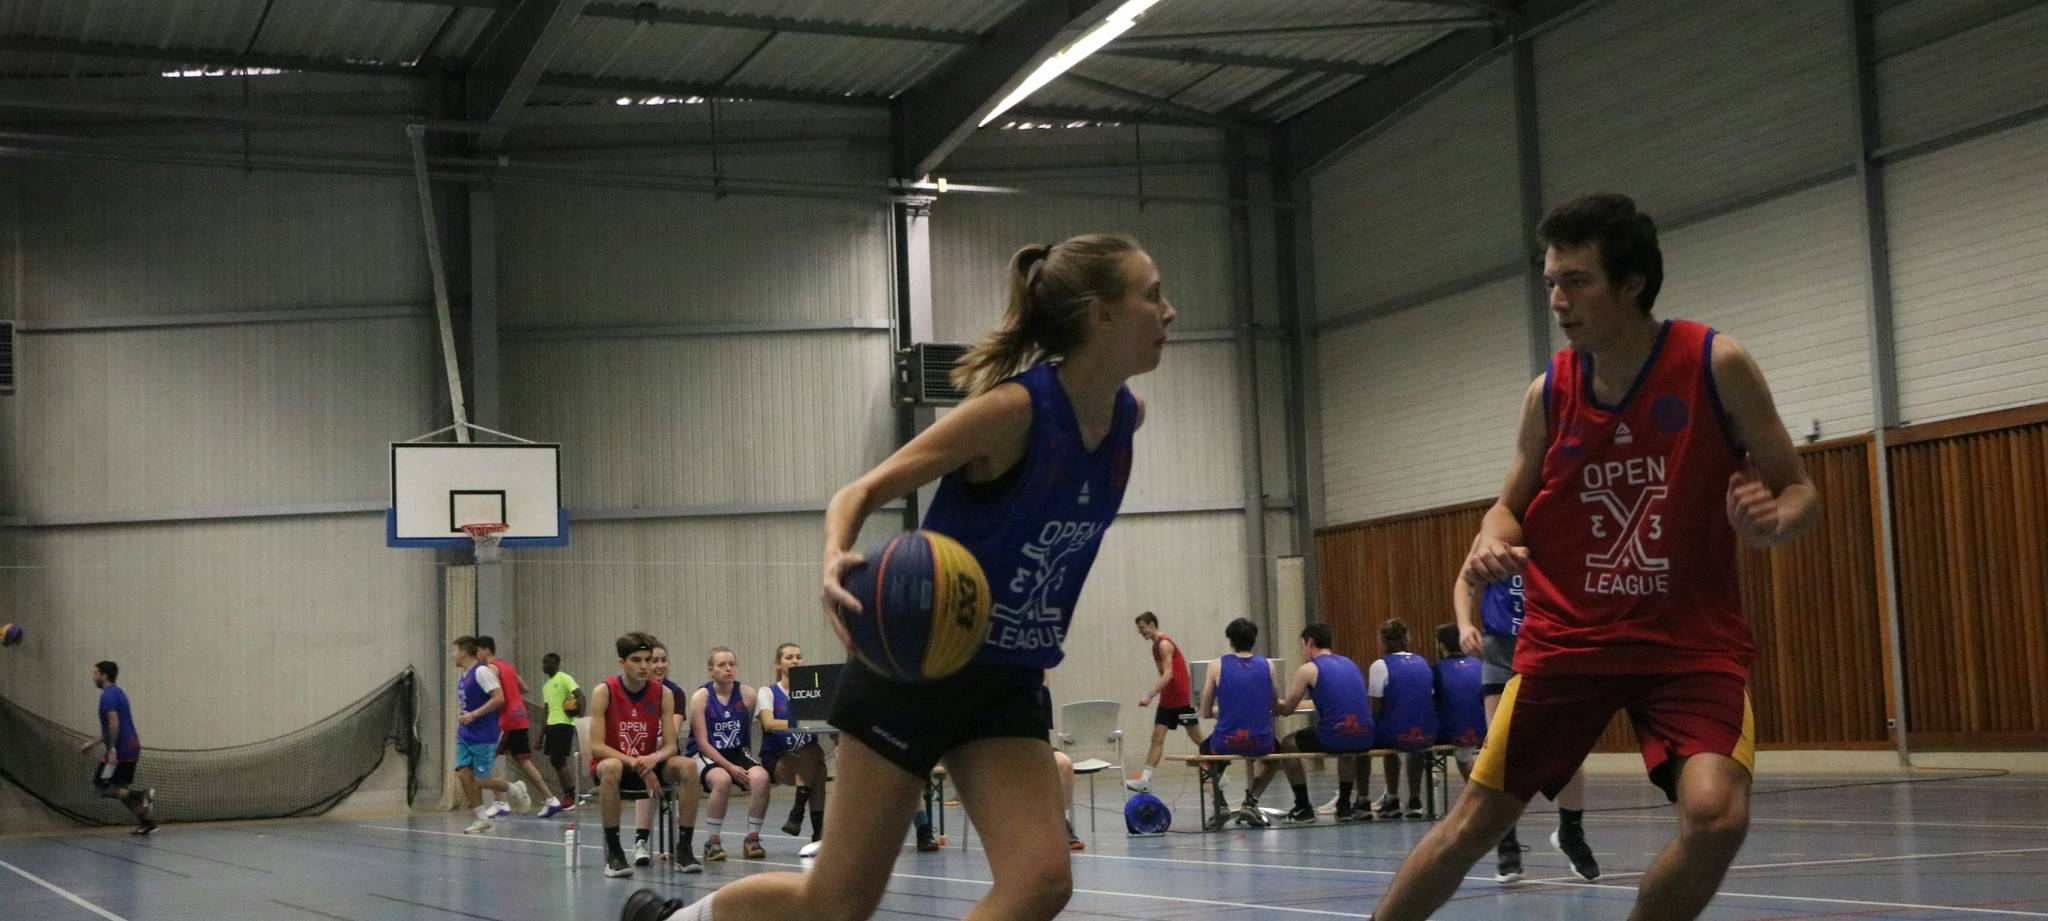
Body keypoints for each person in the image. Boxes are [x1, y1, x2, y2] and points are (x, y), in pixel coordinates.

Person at [623, 233, 1171, 921]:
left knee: (1040, 880)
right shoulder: (1015, 412)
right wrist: (834, 558)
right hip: (913, 671)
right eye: (1152, 294)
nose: (1168, 310)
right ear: (1102, 314)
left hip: (1006, 679)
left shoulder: (1125, 419)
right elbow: (860, 491)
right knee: (836, 904)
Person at [1369, 193, 1820, 921]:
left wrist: (1775, 524)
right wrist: (1492, 536)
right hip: (1570, 643)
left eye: (1576, 281)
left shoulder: (1716, 364)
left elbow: (1799, 491)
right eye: (1551, 281)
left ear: (1632, 282)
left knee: (1717, 818)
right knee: (1474, 823)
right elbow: (1507, 506)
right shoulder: (1551, 393)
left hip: (1688, 645)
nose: (1557, 300)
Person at [1454, 574, 1598, 882]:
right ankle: (1506, 844)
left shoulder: (1557, 546)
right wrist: (1465, 625)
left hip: (1549, 647)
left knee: (1568, 750)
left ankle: (1571, 833)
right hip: (1501, 650)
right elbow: (1466, 580)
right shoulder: (1494, 546)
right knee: (1500, 752)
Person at [1245, 623, 1374, 823]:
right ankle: (1344, 806)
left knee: (1289, 743)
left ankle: (1303, 806)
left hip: (1336, 735)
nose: (1302, 651)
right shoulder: (1349, 663)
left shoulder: (1308, 669)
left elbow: (1287, 709)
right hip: (1365, 733)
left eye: (1302, 646)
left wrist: (1270, 698)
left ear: (1310, 642)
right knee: (1347, 747)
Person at [588, 632, 679, 878]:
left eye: (648, 660)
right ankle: (614, 852)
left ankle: (685, 848)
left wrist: (654, 759)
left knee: (687, 766)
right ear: (622, 663)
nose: (644, 666)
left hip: (647, 764)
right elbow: (596, 746)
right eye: (636, 660)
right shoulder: (604, 691)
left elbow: (671, 745)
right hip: (614, 765)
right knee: (611, 767)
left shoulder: (663, 693)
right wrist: (636, 763)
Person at [690, 646, 773, 862]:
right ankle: (712, 841)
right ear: (711, 670)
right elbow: (702, 743)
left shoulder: (747, 695)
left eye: (731, 664)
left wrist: (748, 761)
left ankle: (752, 838)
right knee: (722, 780)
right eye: (721, 665)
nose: (728, 669)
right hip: (706, 753)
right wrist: (730, 767)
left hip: (736, 752)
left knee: (762, 778)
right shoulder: (701, 697)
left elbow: (748, 732)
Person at [1195, 618, 1279, 821]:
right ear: (1254, 640)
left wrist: (1222, 710)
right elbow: (1274, 705)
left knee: (1203, 757)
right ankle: (1251, 800)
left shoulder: (1216, 666)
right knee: (1277, 755)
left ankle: (1220, 803)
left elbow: (1205, 711)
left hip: (1226, 742)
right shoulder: (1268, 665)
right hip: (1260, 742)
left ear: (1231, 641)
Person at [451, 636, 530, 834]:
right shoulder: (463, 676)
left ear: (463, 652)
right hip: (465, 734)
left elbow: (499, 698)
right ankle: (482, 818)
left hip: (483, 734)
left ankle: (515, 789)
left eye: (455, 651)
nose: (453, 655)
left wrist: (473, 715)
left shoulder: (482, 672)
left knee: (480, 779)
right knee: (463, 775)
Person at [477, 636, 556, 817]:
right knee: (524, 761)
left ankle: (501, 802)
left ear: (486, 650)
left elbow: (494, 695)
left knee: (487, 758)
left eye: (478, 651)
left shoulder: (491, 668)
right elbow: (525, 688)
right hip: (520, 716)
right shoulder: (508, 666)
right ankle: (550, 798)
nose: (477, 654)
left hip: (507, 719)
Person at [1366, 618, 1437, 819]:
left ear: (1382, 641)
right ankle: (1415, 799)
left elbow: (1376, 707)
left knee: (1376, 737)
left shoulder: (1380, 665)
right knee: (1416, 746)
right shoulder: (1423, 663)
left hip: (1395, 734)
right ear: (1407, 638)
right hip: (1426, 733)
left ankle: (1391, 797)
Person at [759, 643, 828, 843]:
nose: (795, 661)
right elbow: (769, 723)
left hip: (807, 755)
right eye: (789, 657)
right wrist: (801, 722)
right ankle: (810, 824)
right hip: (779, 756)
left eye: (798, 657)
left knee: (816, 760)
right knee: (816, 764)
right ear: (778, 663)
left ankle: (807, 823)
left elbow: (824, 721)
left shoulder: (813, 690)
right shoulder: (768, 692)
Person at [79, 661, 156, 835]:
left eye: (96, 674)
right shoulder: (119, 693)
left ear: (104, 676)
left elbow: (114, 723)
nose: (93, 677)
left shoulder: (107, 695)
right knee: (120, 789)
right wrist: (93, 743)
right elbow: (111, 727)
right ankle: (147, 823)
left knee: (101, 787)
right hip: (132, 746)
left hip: (120, 750)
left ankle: (141, 796)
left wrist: (112, 750)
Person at [1128, 612, 1201, 793]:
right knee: (1157, 738)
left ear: (1152, 625)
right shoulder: (1155, 646)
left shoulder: (1164, 644)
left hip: (1182, 698)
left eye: (1142, 627)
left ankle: (1219, 772)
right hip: (1168, 699)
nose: (1140, 632)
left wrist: (1149, 695)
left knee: (1197, 737)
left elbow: (1168, 674)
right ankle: (1145, 779)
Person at [1036, 673, 1084, 850]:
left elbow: (1042, 736)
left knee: (1064, 764)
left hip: (1035, 748)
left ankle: (1059, 821)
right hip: (1002, 752)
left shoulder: (1041, 693)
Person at [1432, 623, 1485, 783]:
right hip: (1483, 730)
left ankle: (1421, 792)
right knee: (1463, 753)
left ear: (1441, 646)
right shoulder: (1479, 665)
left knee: (1416, 750)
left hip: (1451, 734)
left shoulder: (1438, 669)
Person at [539, 653, 583, 814]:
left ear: (556, 663)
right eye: (543, 662)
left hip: (564, 723)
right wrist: (540, 736)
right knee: (555, 761)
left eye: (547, 662)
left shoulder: (564, 678)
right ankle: (572, 794)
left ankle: (572, 795)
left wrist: (580, 716)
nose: (544, 665)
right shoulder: (546, 686)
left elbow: (580, 695)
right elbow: (546, 710)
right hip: (552, 725)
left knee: (558, 759)